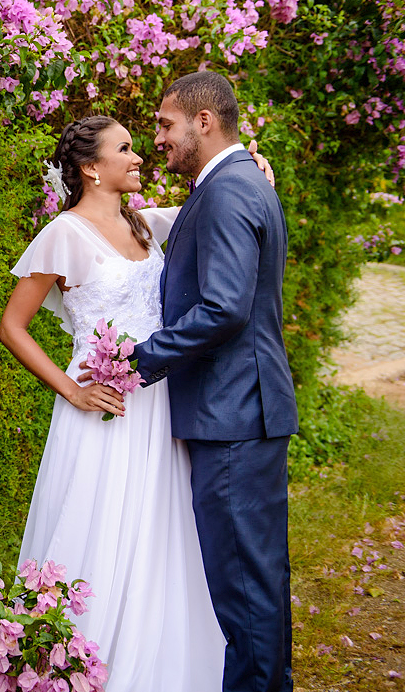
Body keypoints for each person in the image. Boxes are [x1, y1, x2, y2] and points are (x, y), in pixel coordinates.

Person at [0, 112, 277, 690]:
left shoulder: (145, 223)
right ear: (90, 168)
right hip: (103, 404)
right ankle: (77, 665)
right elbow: (12, 327)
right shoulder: (62, 235)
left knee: (161, 532)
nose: (138, 157)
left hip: (159, 402)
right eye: (124, 149)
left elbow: (216, 201)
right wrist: (73, 389)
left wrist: (253, 172)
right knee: (99, 527)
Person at [124, 71, 298, 692]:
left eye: (165, 124)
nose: (157, 138)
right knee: (257, 579)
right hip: (246, 409)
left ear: (204, 121)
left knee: (244, 586)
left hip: (232, 414)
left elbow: (224, 309)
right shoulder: (241, 182)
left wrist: (138, 358)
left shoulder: (228, 190)